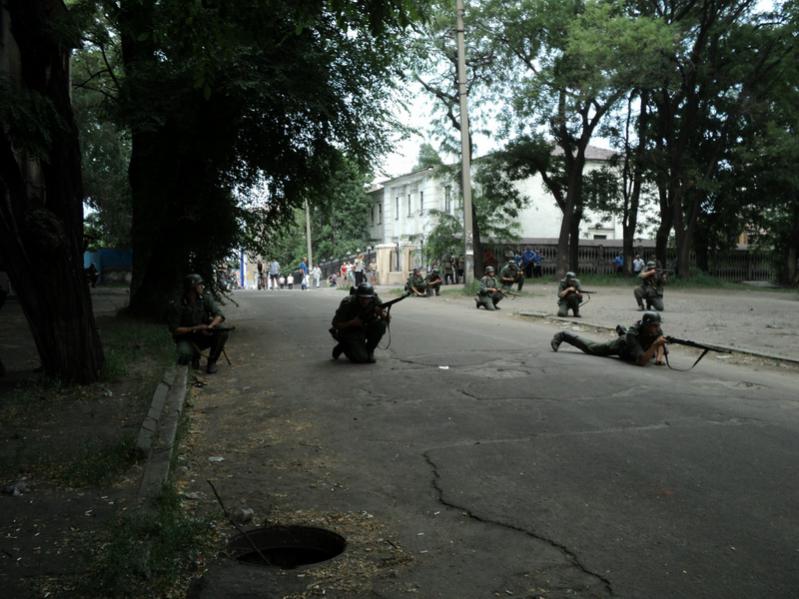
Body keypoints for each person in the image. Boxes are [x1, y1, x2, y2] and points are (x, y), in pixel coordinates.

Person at [550, 311, 667, 367]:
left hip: (636, 349)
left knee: (650, 353)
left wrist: (659, 358)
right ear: (646, 325)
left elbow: (660, 342)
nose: (658, 328)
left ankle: (622, 330)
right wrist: (654, 345)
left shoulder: (656, 330)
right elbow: (642, 362)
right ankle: (564, 335)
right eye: (655, 325)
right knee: (592, 348)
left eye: (658, 325)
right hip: (623, 346)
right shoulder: (633, 333)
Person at [167, 274, 229, 374]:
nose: (202, 287)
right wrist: (195, 328)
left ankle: (212, 362)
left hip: (203, 336)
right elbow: (175, 330)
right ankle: (194, 357)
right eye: (199, 285)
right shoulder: (178, 304)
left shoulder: (204, 298)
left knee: (222, 332)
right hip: (187, 338)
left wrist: (210, 326)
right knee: (183, 354)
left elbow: (220, 315)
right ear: (192, 287)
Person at [330, 283, 388, 363]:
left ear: (371, 297)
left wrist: (381, 313)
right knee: (362, 359)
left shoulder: (375, 300)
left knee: (381, 324)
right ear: (357, 296)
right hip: (350, 331)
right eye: (362, 298)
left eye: (367, 298)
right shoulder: (348, 303)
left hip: (364, 328)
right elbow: (335, 324)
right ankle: (343, 345)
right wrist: (352, 323)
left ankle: (369, 351)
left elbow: (387, 319)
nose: (365, 301)